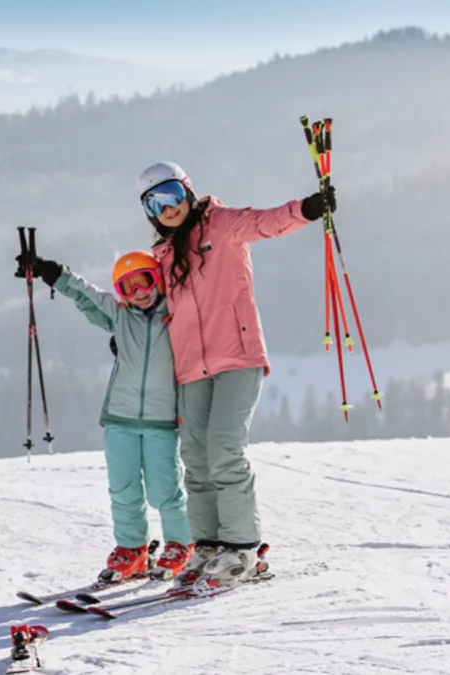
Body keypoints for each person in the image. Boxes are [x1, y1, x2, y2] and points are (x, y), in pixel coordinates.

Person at [138, 160, 336, 591]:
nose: (167, 208)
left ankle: (242, 548)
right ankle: (209, 546)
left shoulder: (222, 224)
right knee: (195, 456)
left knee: (224, 448)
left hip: (237, 357)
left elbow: (266, 222)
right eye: (155, 203)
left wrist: (306, 209)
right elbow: (154, 309)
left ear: (188, 190)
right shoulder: (164, 255)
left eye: (172, 195)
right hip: (191, 367)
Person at [17, 248, 194, 582]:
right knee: (123, 490)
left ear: (159, 280)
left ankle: (181, 544)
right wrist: (53, 272)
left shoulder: (176, 315)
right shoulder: (121, 317)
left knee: (165, 489)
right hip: (119, 419)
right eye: (129, 287)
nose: (139, 292)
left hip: (161, 420)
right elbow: (87, 295)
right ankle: (132, 550)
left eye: (145, 281)